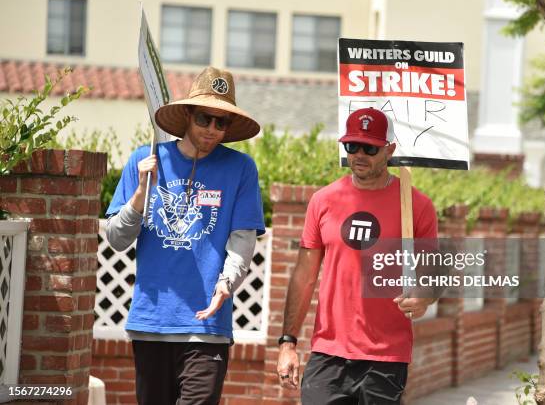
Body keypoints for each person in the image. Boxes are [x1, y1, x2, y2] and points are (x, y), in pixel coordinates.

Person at [105, 66, 265, 405]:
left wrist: (227, 283)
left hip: (207, 326)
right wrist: (139, 197)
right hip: (151, 323)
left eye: (221, 123)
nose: (211, 129)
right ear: (188, 116)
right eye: (204, 119)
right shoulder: (144, 160)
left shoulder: (240, 168)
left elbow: (242, 238)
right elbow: (117, 240)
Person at [276, 107, 438, 404]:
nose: (359, 154)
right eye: (352, 146)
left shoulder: (416, 205)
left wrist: (425, 297)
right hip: (328, 351)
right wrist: (288, 343)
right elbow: (304, 276)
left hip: (387, 355)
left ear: (389, 149)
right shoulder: (323, 201)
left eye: (370, 147)